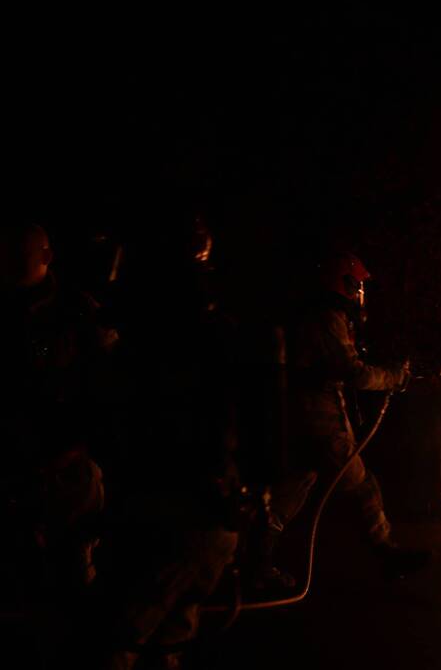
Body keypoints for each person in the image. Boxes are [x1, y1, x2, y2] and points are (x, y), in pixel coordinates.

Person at [101, 215, 239, 669]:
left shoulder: (154, 344)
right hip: (203, 513)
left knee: (123, 634)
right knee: (172, 632)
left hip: (175, 510)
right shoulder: (214, 332)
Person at [260, 249, 427, 585]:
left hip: (301, 416)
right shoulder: (327, 318)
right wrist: (393, 378)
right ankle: (385, 552)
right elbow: (353, 372)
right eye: (357, 286)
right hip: (320, 420)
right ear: (346, 284)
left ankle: (254, 566)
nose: (360, 293)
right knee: (362, 486)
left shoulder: (317, 315)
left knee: (287, 494)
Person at [0, 222, 112, 596]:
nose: (8, 261)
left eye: (20, 253)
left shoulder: (76, 312)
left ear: (47, 256)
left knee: (74, 579)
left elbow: (106, 383)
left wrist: (80, 445)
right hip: (16, 468)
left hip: (66, 471)